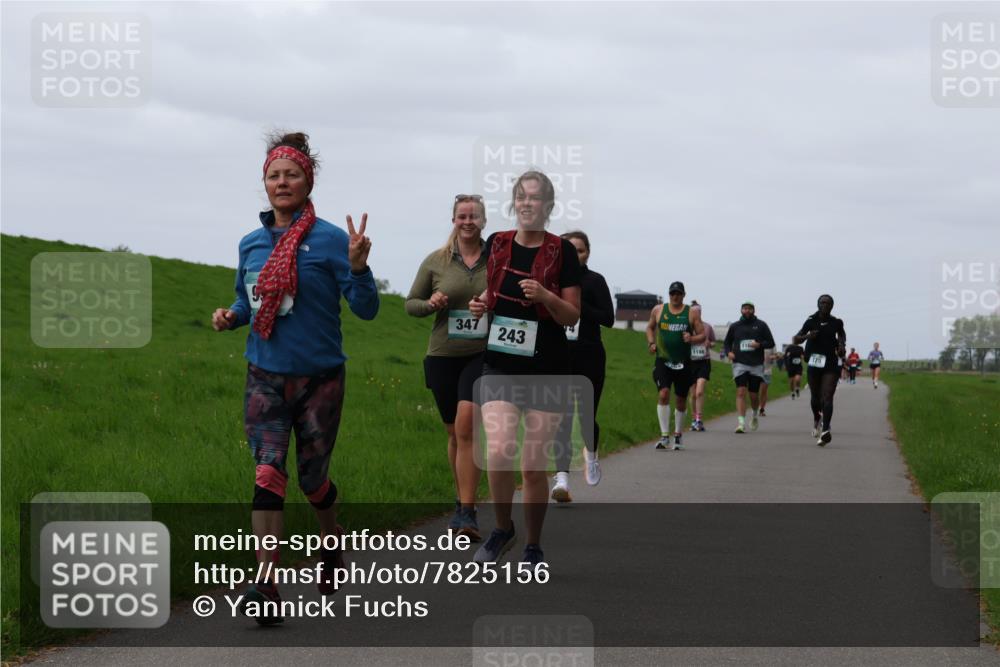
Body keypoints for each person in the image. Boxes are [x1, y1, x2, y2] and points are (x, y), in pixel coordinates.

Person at [211, 132, 378, 624]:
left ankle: (331, 543)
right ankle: (266, 582)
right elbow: (248, 301)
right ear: (264, 183)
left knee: (312, 479)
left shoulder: (330, 240)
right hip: (264, 373)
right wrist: (231, 316)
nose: (281, 182)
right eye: (273, 175)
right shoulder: (251, 243)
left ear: (309, 180)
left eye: (291, 174)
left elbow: (366, 310)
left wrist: (359, 268)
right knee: (266, 473)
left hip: (319, 379)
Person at [468, 171, 581, 567]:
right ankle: (503, 528)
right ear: (514, 202)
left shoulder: (561, 252)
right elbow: (494, 288)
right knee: (498, 450)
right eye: (521, 197)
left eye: (536, 198)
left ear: (548, 207)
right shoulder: (497, 243)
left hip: (548, 367)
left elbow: (571, 314)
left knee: (533, 466)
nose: (528, 203)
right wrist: (482, 302)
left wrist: (546, 295)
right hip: (500, 362)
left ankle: (533, 544)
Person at [405, 195, 488, 539]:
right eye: (461, 216)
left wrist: (490, 306)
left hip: (484, 354)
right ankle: (460, 501)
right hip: (442, 355)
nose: (467, 221)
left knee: (467, 427)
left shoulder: (496, 260)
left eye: (474, 216)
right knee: (455, 433)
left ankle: (467, 513)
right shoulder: (435, 261)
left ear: (483, 221)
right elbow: (411, 304)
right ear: (453, 220)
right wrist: (430, 304)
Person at [551, 230, 614, 502]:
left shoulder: (595, 281)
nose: (576, 255)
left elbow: (608, 318)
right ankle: (562, 479)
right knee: (561, 418)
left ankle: (591, 456)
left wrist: (576, 305)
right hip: (558, 355)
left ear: (588, 252)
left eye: (581, 250)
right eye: (570, 249)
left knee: (586, 415)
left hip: (589, 354)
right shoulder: (551, 279)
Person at [646, 282, 706, 450]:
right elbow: (650, 328)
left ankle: (678, 436)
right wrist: (651, 343)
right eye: (672, 293)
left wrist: (692, 339)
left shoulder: (691, 313)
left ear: (683, 295)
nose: (675, 296)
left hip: (684, 362)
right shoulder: (658, 310)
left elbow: (702, 335)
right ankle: (665, 436)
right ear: (669, 294)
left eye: (678, 293)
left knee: (680, 399)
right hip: (663, 360)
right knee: (664, 394)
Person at [793, 294, 846, 446]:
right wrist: (807, 336)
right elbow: (795, 339)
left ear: (832, 306)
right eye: (822, 302)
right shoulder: (811, 321)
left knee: (827, 397)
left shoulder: (836, 322)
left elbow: (841, 334)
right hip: (814, 363)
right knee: (815, 398)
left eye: (828, 303)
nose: (825, 305)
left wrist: (841, 346)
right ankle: (817, 417)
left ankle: (826, 430)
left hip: (830, 363)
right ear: (818, 304)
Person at [722, 302, 776, 433]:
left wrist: (759, 345)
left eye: (749, 309)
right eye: (744, 308)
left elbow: (770, 342)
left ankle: (754, 415)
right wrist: (728, 352)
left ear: (753, 310)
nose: (747, 311)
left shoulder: (761, 325)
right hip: (739, 363)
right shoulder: (735, 326)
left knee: (753, 395)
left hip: (756, 365)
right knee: (740, 392)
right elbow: (727, 342)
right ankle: (741, 423)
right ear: (741, 310)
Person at [687, 300, 716, 432]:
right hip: (690, 362)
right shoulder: (687, 327)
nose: (696, 313)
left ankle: (699, 419)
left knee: (699, 391)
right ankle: (694, 419)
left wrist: (709, 343)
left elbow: (714, 342)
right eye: (694, 311)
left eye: (698, 311)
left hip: (704, 361)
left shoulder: (708, 327)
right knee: (693, 394)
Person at [759, 347, 777, 416]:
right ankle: (755, 407)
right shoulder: (755, 340)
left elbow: (775, 355)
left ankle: (762, 409)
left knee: (763, 390)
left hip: (767, 371)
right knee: (755, 391)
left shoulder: (771, 344)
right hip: (755, 369)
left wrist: (773, 357)